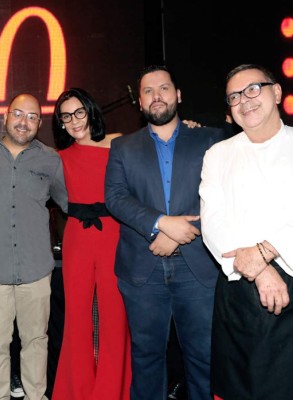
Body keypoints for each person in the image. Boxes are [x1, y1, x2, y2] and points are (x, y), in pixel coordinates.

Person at [105, 65, 225, 400]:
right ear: (140, 103)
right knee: (146, 359)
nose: (157, 96)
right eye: (148, 91)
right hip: (142, 270)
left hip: (197, 268)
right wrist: (160, 222)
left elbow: (222, 197)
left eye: (164, 88)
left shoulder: (211, 139)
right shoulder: (122, 148)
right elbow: (115, 198)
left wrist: (178, 230)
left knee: (203, 359)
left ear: (178, 95)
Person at [199, 64, 293, 400]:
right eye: (234, 96)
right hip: (238, 289)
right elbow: (213, 221)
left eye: (253, 89)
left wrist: (267, 251)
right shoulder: (218, 155)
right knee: (237, 387)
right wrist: (260, 268)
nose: (245, 100)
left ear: (277, 92)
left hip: (291, 281)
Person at [0, 93, 67, 400]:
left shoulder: (51, 159)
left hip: (36, 269)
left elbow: (70, 204)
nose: (24, 122)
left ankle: (36, 396)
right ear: (5, 116)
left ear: (40, 122)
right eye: (18, 114)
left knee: (36, 341)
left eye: (32, 117)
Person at [50, 87, 131, 400]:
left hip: (113, 233)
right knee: (78, 318)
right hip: (78, 238)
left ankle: (113, 392)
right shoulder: (59, 158)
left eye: (78, 112)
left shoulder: (119, 142)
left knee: (115, 314)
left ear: (91, 111)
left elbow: (158, 141)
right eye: (66, 116)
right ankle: (76, 392)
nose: (74, 121)